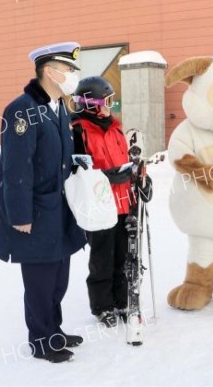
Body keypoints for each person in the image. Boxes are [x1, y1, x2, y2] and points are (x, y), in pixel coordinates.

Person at [0, 42, 87, 363]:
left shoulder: (60, 106)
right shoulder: (22, 110)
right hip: (34, 211)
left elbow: (60, 156)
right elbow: (16, 167)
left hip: (60, 208)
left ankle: (54, 330)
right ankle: (41, 340)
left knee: (59, 277)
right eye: (69, 69)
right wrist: (19, 215)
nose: (74, 75)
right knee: (40, 281)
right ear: (49, 71)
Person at [71, 76, 152, 327]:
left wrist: (142, 178)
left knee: (124, 258)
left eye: (111, 101)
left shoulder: (116, 128)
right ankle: (102, 306)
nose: (110, 106)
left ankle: (121, 301)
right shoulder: (78, 129)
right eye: (106, 101)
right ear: (90, 104)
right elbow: (76, 170)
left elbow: (129, 159)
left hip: (125, 202)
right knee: (102, 260)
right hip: (99, 205)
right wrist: (106, 176)